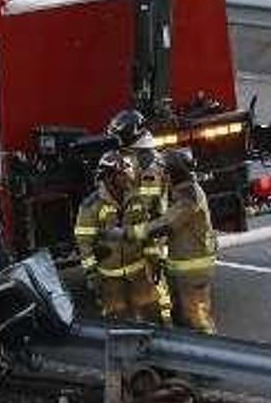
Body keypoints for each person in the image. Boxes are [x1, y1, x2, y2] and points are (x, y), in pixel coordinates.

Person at [126, 150, 217, 333]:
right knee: (182, 318)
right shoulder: (179, 191)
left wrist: (129, 233)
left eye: (163, 171)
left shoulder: (189, 195)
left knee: (198, 320)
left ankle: (209, 353)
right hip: (183, 266)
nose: (160, 175)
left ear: (171, 173)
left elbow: (167, 225)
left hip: (192, 270)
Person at [74, 151, 167, 325]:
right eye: (121, 174)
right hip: (110, 279)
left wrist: (155, 260)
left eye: (127, 173)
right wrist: (92, 275)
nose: (127, 178)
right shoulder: (91, 206)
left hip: (139, 273)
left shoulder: (136, 200)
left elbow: (145, 234)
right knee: (118, 324)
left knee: (153, 317)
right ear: (109, 178)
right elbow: (84, 243)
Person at [106, 109, 173, 321]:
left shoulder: (148, 163)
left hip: (150, 231)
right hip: (144, 229)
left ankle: (165, 330)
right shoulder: (140, 156)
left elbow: (145, 203)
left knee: (153, 282)